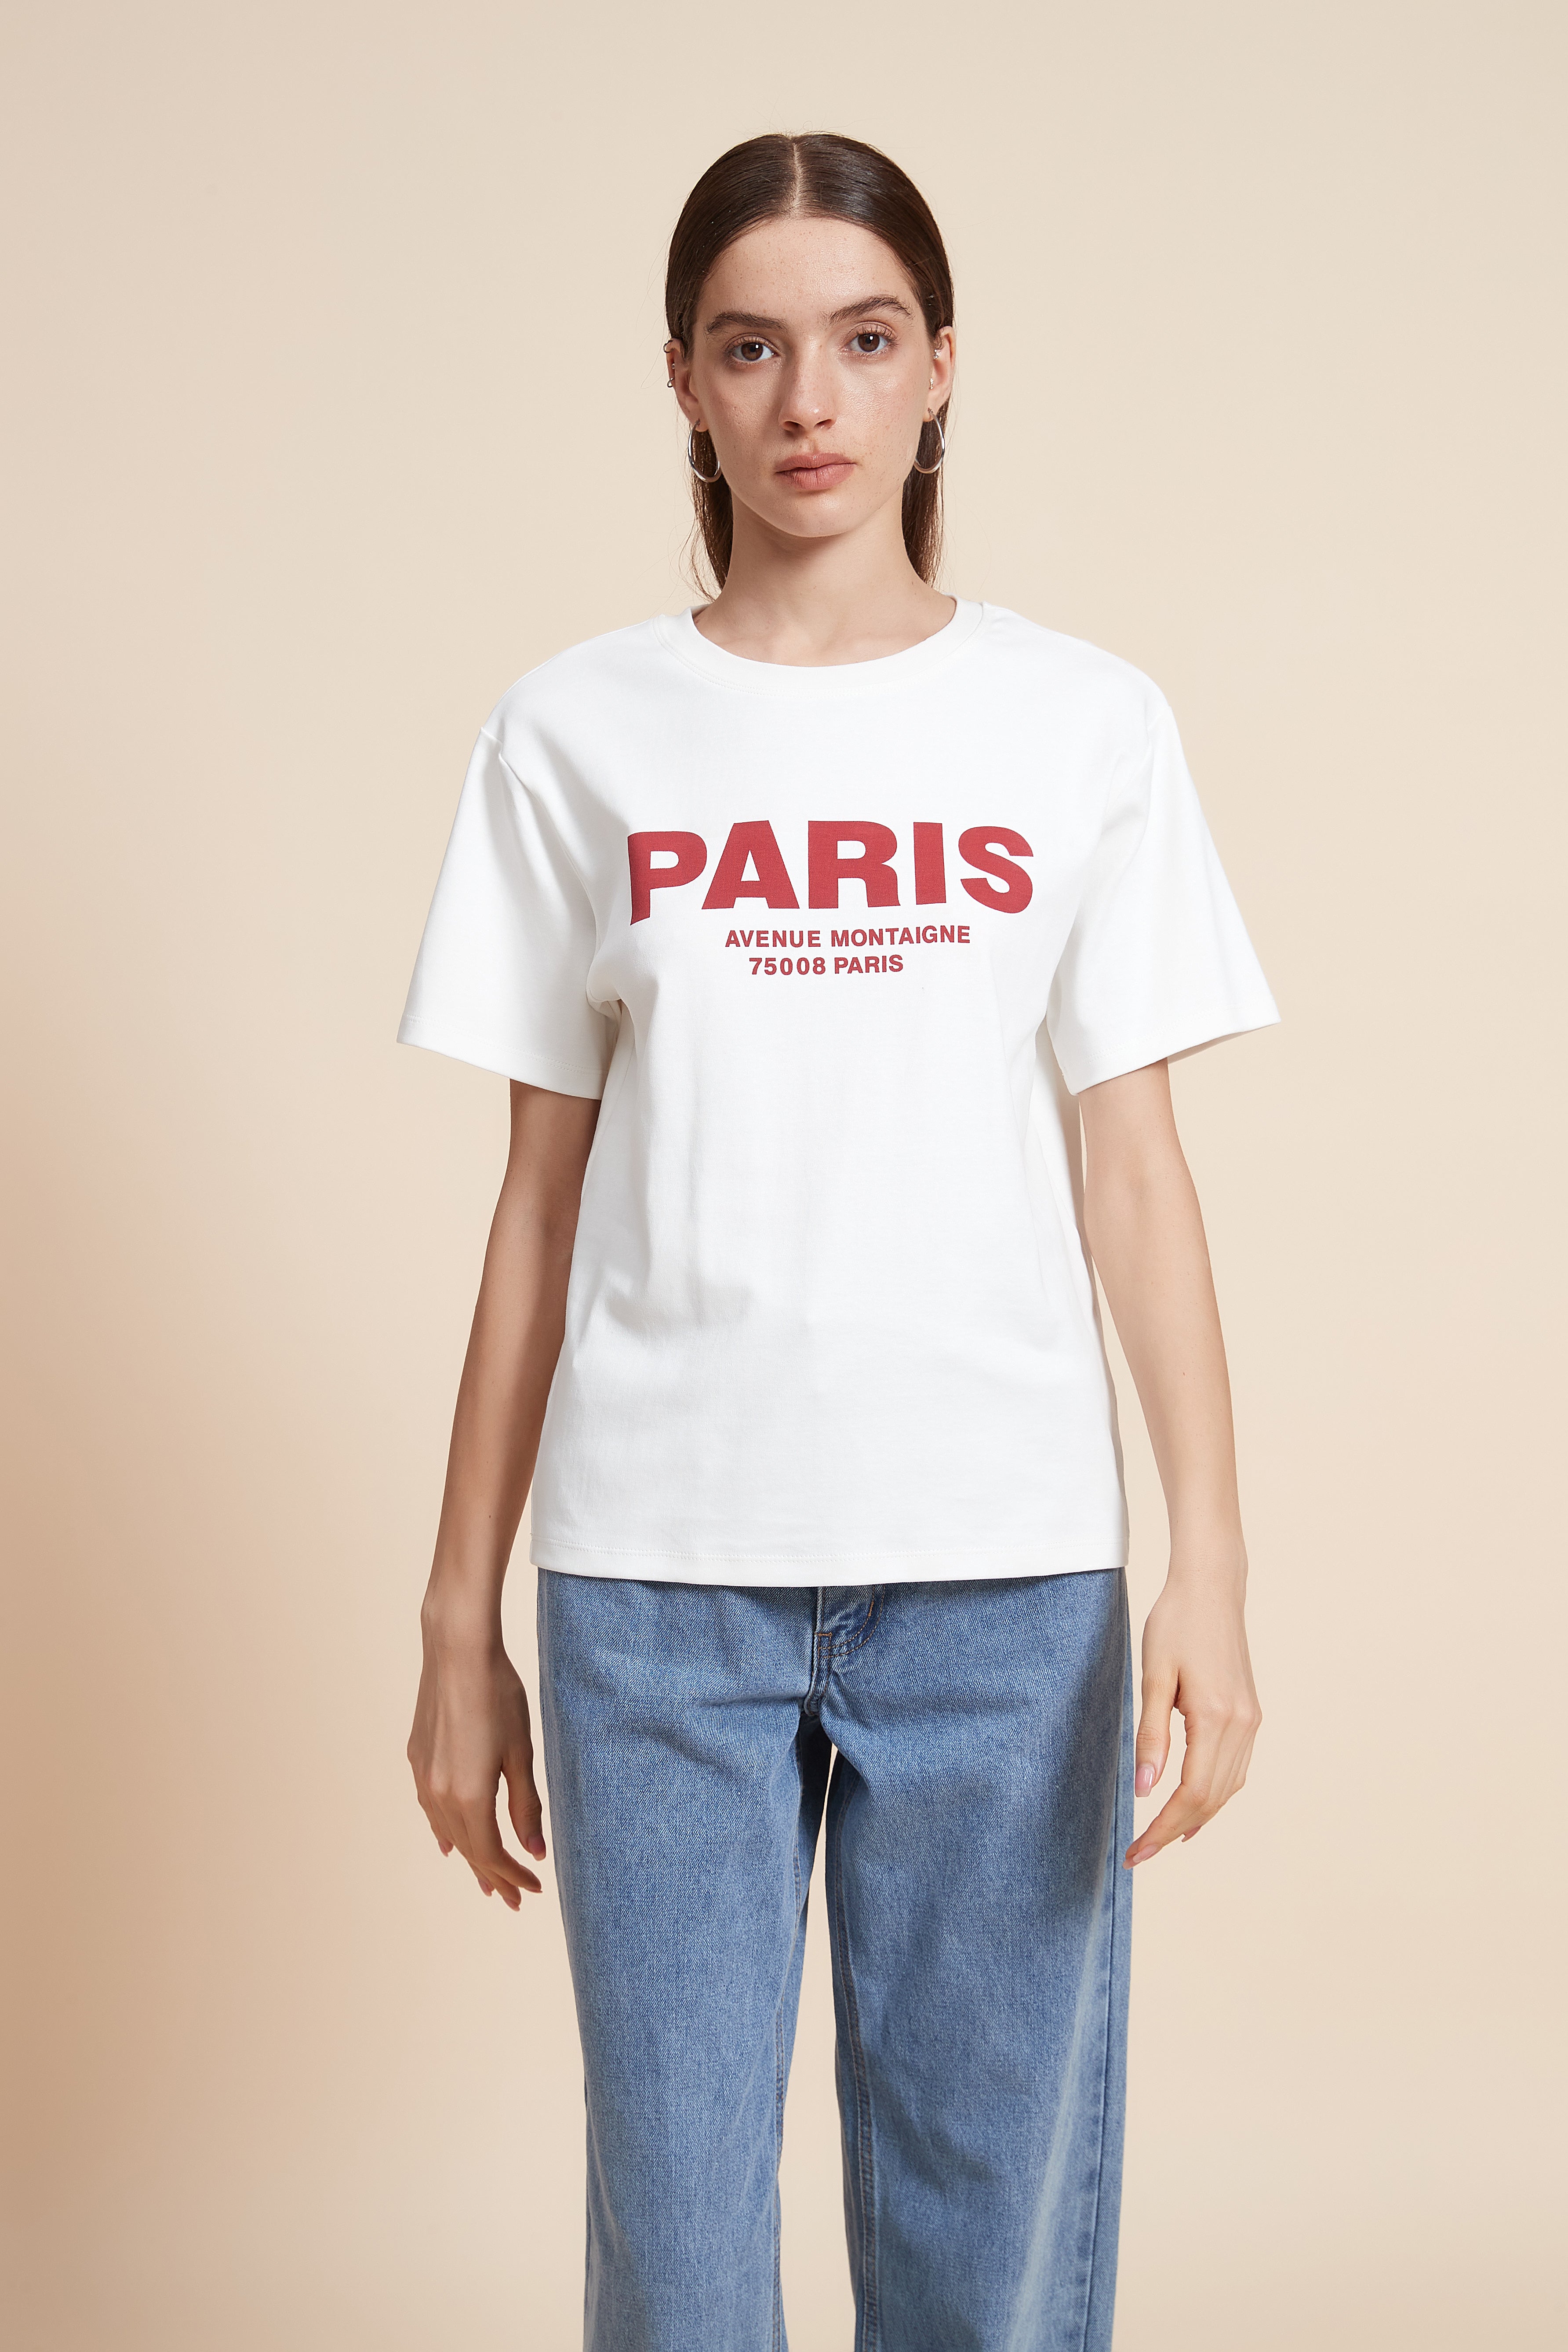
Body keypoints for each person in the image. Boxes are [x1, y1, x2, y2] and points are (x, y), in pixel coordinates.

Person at [400, 131, 1275, 2352]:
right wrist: (454, 1619)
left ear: (940, 368)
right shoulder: (572, 733)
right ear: (683, 382)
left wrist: (1212, 1566)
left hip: (1007, 1582)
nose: (811, 399)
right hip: (652, 1593)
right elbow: (533, 1207)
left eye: (865, 341)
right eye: (752, 347)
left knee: (988, 2264)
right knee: (678, 2262)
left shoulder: (1080, 725)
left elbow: (1136, 1172)